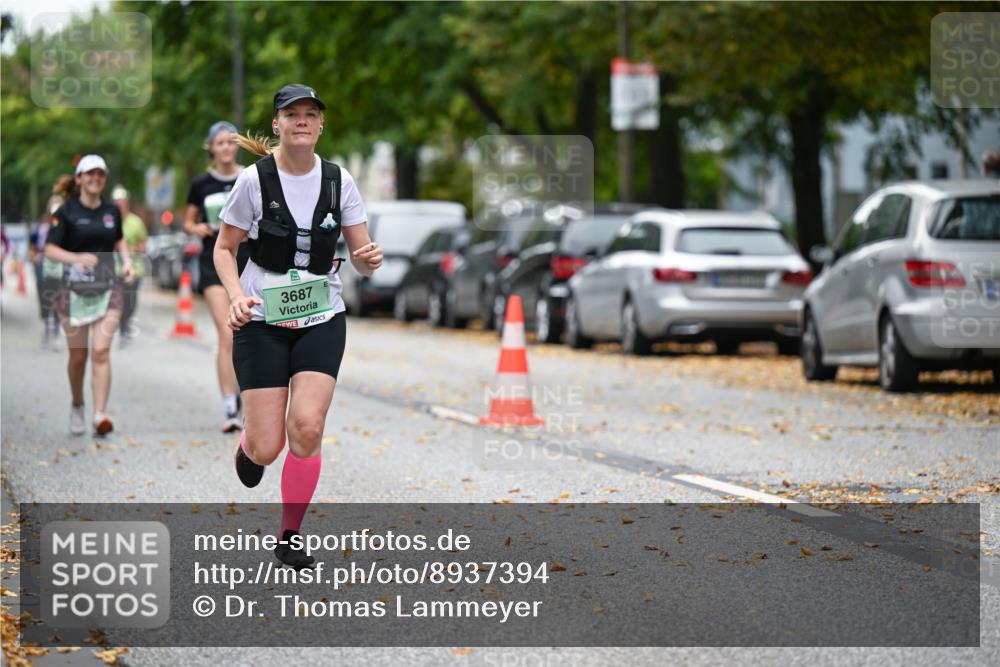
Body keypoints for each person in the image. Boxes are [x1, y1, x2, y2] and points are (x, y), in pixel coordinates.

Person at [214, 84, 382, 568]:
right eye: (293, 114)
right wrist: (235, 296)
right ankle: (251, 445)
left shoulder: (338, 181)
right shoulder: (253, 181)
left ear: (321, 125)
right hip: (262, 319)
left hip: (321, 316)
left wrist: (370, 259)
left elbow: (362, 255)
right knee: (269, 448)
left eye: (311, 114)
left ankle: (290, 535)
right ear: (277, 125)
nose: (303, 121)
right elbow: (224, 249)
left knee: (307, 427)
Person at [45, 155, 134, 436]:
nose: (96, 178)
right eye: (90, 173)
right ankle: (77, 403)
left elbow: (118, 238)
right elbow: (49, 249)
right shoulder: (66, 212)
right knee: (79, 356)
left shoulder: (111, 211)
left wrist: (127, 261)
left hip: (108, 288)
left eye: (101, 174)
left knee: (100, 351)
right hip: (71, 292)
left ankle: (99, 414)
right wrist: (75, 258)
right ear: (79, 178)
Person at [184, 121, 248, 432]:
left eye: (230, 142)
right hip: (215, 263)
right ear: (211, 147)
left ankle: (246, 394)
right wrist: (198, 229)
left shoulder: (251, 177)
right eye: (220, 143)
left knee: (248, 336)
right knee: (227, 332)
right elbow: (189, 222)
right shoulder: (201, 183)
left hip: (249, 263)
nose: (225, 148)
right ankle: (229, 406)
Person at [30, 194, 65, 349]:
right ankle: (47, 328)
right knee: (45, 300)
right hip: (43, 269)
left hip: (60, 269)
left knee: (58, 301)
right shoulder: (41, 229)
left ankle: (57, 332)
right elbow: (32, 248)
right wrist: (35, 257)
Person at [113, 185, 147, 344]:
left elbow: (143, 244)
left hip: (135, 268)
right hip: (115, 270)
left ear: (126, 203)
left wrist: (133, 249)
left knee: (130, 301)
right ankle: (122, 328)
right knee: (118, 301)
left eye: (122, 202)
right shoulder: (110, 221)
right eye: (117, 203)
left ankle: (125, 324)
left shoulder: (136, 222)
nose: (120, 205)